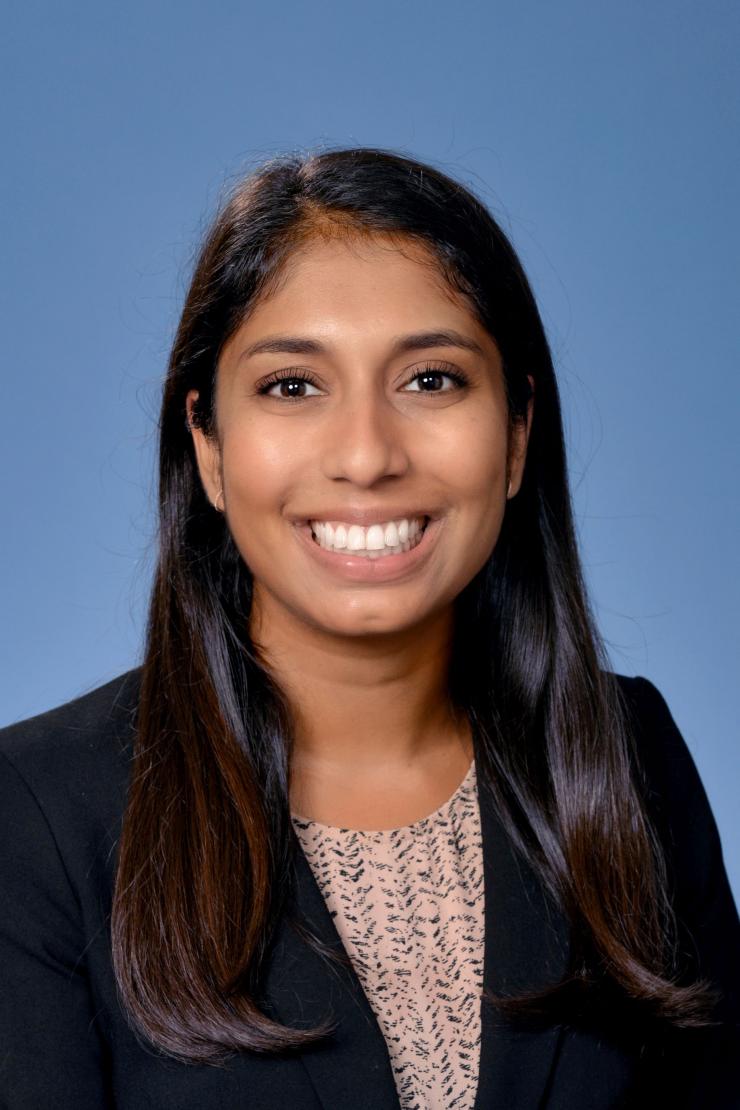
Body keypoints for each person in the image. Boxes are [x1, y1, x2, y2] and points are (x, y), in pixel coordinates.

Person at [0, 147, 738, 1110]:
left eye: (431, 380)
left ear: (517, 434)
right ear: (208, 446)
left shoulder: (627, 761)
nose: (366, 455)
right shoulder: (36, 819)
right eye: (293, 386)